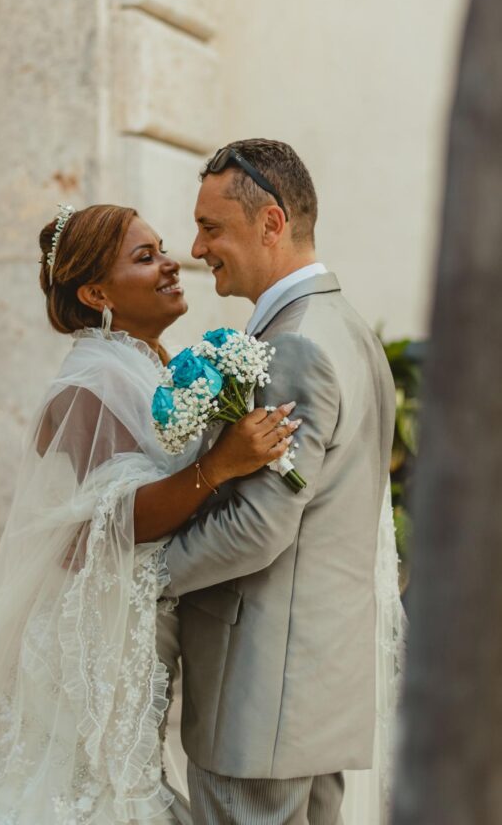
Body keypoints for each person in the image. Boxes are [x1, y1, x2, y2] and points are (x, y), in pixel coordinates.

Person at [0, 203, 298, 825]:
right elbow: (112, 520)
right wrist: (218, 467)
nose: (172, 264)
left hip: (134, 634)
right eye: (145, 259)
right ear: (95, 292)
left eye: (163, 249)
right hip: (86, 653)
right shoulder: (87, 385)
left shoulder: (149, 367)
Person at [162, 139, 403, 825]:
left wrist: (144, 572)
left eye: (211, 228)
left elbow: (258, 526)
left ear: (270, 222)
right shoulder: (347, 330)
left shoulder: (296, 345)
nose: (196, 246)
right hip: (312, 693)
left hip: (260, 695)